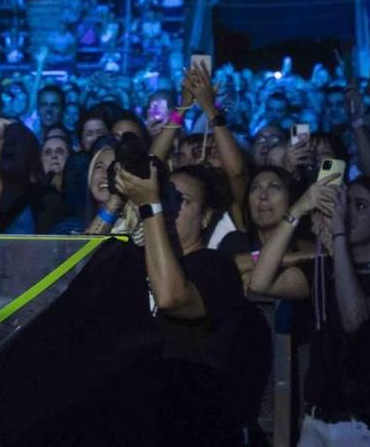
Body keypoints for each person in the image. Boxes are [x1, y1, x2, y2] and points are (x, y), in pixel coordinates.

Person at [113, 159, 269, 446]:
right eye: (165, 200)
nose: (170, 209)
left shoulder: (214, 268)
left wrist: (151, 209)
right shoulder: (137, 263)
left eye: (181, 201)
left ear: (206, 216)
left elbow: (172, 298)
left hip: (195, 430)